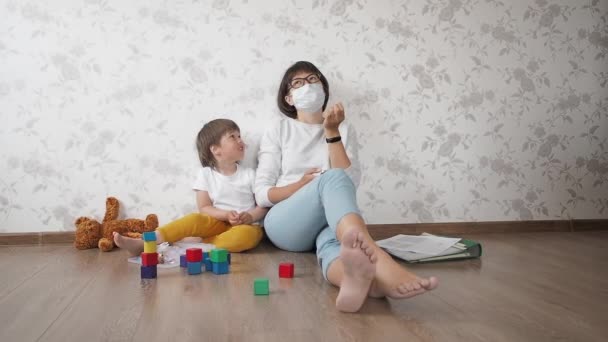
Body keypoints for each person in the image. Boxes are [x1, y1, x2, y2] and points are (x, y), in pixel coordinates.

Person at [255, 61, 438, 312]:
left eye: (313, 79)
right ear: (288, 97)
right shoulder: (279, 127)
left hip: (327, 222)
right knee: (331, 178)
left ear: (323, 88)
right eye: (298, 83)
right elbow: (263, 194)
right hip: (285, 222)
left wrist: (331, 132)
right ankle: (382, 261)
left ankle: (362, 283)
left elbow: (349, 183)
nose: (307, 86)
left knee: (336, 243)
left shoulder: (342, 128)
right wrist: (303, 184)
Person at [114, 119, 266, 255]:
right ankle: (145, 242)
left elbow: (263, 205)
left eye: (239, 136)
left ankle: (195, 244)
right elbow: (204, 208)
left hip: (246, 226)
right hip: (217, 223)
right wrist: (226, 215)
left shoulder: (251, 174)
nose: (240, 140)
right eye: (233, 137)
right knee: (193, 219)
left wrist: (250, 216)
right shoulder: (206, 174)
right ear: (215, 150)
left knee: (245, 237)